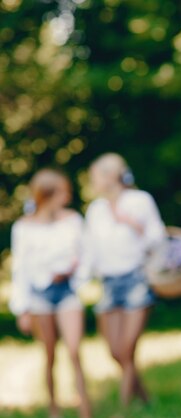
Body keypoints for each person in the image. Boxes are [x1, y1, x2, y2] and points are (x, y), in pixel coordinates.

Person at [76, 153, 165, 406]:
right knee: (115, 352)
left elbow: (157, 240)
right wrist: (80, 282)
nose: (92, 182)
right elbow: (89, 249)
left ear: (109, 176)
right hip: (108, 283)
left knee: (126, 349)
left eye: (94, 177)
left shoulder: (140, 201)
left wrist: (131, 223)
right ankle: (145, 398)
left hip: (136, 279)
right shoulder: (96, 210)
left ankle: (124, 408)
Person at [10, 168, 91, 418]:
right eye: (62, 192)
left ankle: (85, 410)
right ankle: (54, 409)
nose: (67, 196)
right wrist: (22, 308)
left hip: (66, 291)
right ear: (47, 195)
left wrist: (75, 277)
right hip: (38, 296)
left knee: (75, 350)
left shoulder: (73, 221)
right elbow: (20, 269)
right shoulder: (23, 227)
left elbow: (86, 256)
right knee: (49, 355)